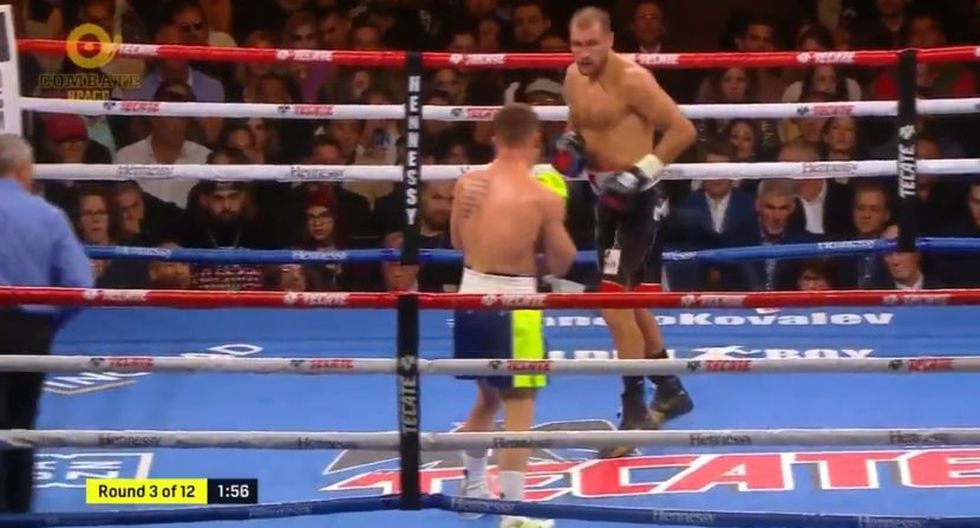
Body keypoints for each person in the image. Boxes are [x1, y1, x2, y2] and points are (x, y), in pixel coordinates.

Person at [554, 6, 696, 459]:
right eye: (576, 45)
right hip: (604, 199)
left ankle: (633, 411)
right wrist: (571, 142)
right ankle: (669, 389)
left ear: (611, 40)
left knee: (613, 302)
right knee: (628, 301)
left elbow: (682, 130)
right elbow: (578, 122)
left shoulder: (634, 80)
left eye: (592, 44)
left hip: (640, 202)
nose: (584, 54)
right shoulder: (572, 77)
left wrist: (640, 171)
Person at [451, 103, 576, 528]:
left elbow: (457, 242)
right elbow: (560, 263)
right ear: (536, 140)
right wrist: (553, 218)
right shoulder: (540, 195)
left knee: (488, 397)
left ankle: (473, 490)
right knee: (520, 404)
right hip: (514, 305)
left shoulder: (468, 183)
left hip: (469, 295)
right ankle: (515, 514)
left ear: (494, 138)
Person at [0, 134, 93, 513]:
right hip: (30, 328)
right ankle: (17, 510)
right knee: (20, 423)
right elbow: (80, 285)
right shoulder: (48, 216)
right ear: (25, 172)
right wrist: (48, 323)